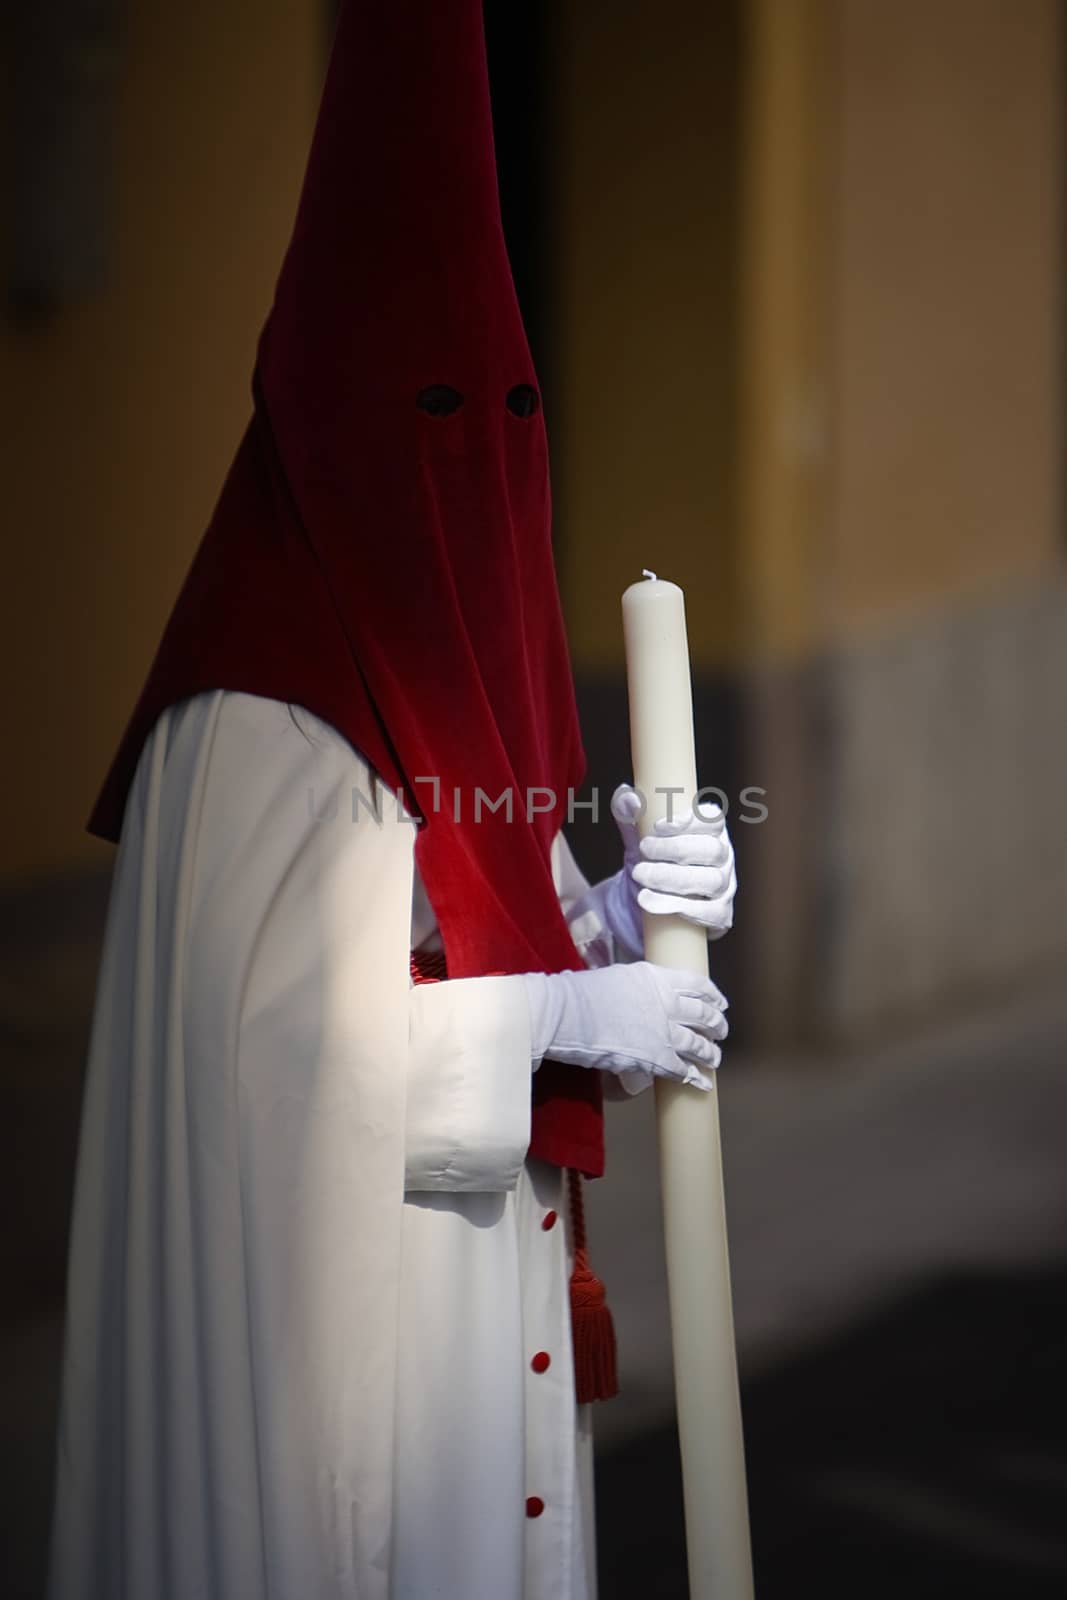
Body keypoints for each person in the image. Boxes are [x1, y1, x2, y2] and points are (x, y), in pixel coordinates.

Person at [45, 4, 736, 1598]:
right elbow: (280, 1081)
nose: (473, 468)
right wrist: (560, 1021)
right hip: (342, 1391)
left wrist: (625, 916)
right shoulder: (248, 719)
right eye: (429, 418)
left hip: (486, 1334)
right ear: (322, 427)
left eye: (506, 419)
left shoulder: (452, 676)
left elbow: (482, 927)